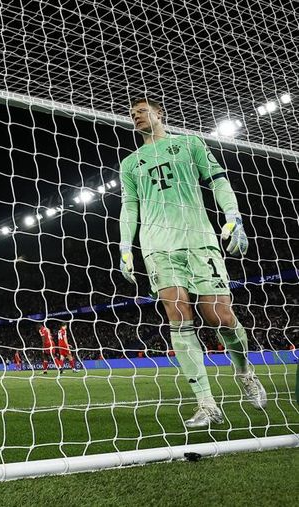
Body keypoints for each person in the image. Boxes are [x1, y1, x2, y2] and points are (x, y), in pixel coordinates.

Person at [119, 97, 266, 427]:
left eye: (141, 111)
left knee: (219, 315)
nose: (136, 117)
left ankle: (244, 372)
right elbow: (130, 208)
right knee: (177, 313)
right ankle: (206, 403)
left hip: (199, 240)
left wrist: (233, 217)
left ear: (160, 113)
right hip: (157, 246)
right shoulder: (130, 163)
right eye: (132, 115)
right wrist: (125, 248)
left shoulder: (190, 144)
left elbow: (218, 180)